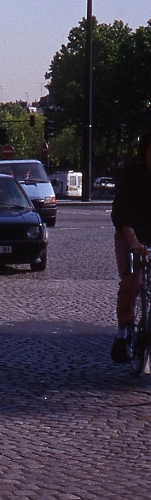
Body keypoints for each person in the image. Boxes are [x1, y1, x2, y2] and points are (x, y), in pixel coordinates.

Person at [110, 133, 151, 363]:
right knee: (132, 280)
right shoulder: (133, 176)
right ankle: (124, 329)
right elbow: (122, 212)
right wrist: (134, 242)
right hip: (129, 231)